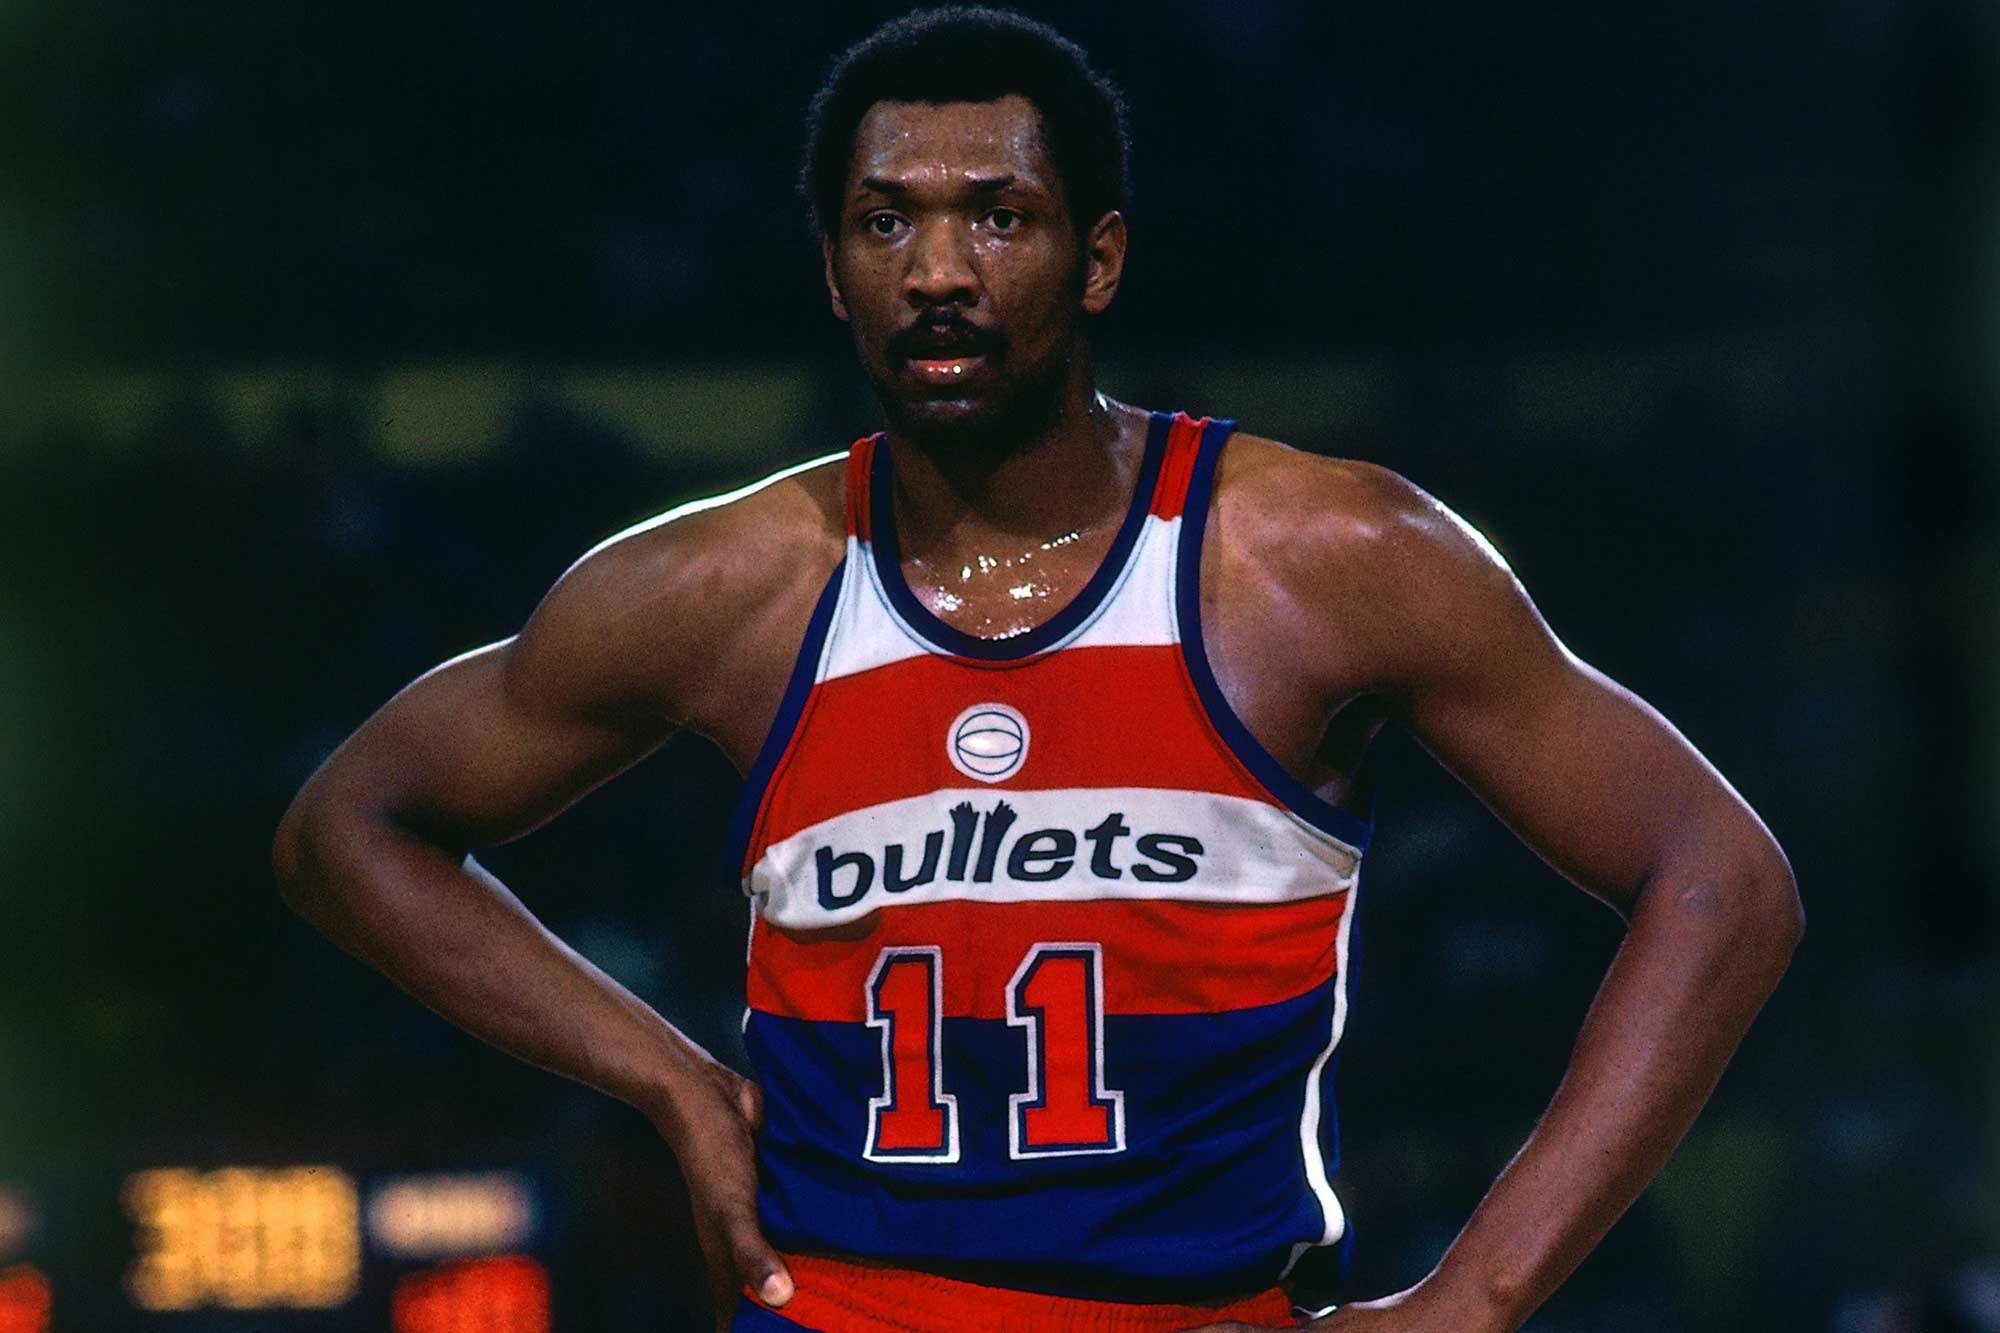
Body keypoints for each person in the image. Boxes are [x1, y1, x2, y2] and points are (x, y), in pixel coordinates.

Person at [272, 8, 1803, 1331]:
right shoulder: (728, 587)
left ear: (1100, 258)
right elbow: (349, 826)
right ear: (833, 271)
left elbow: (1722, 879)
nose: (938, 270)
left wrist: (1478, 1296)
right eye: (886, 223)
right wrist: (668, 1077)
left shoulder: (1317, 556)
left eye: (998, 217)